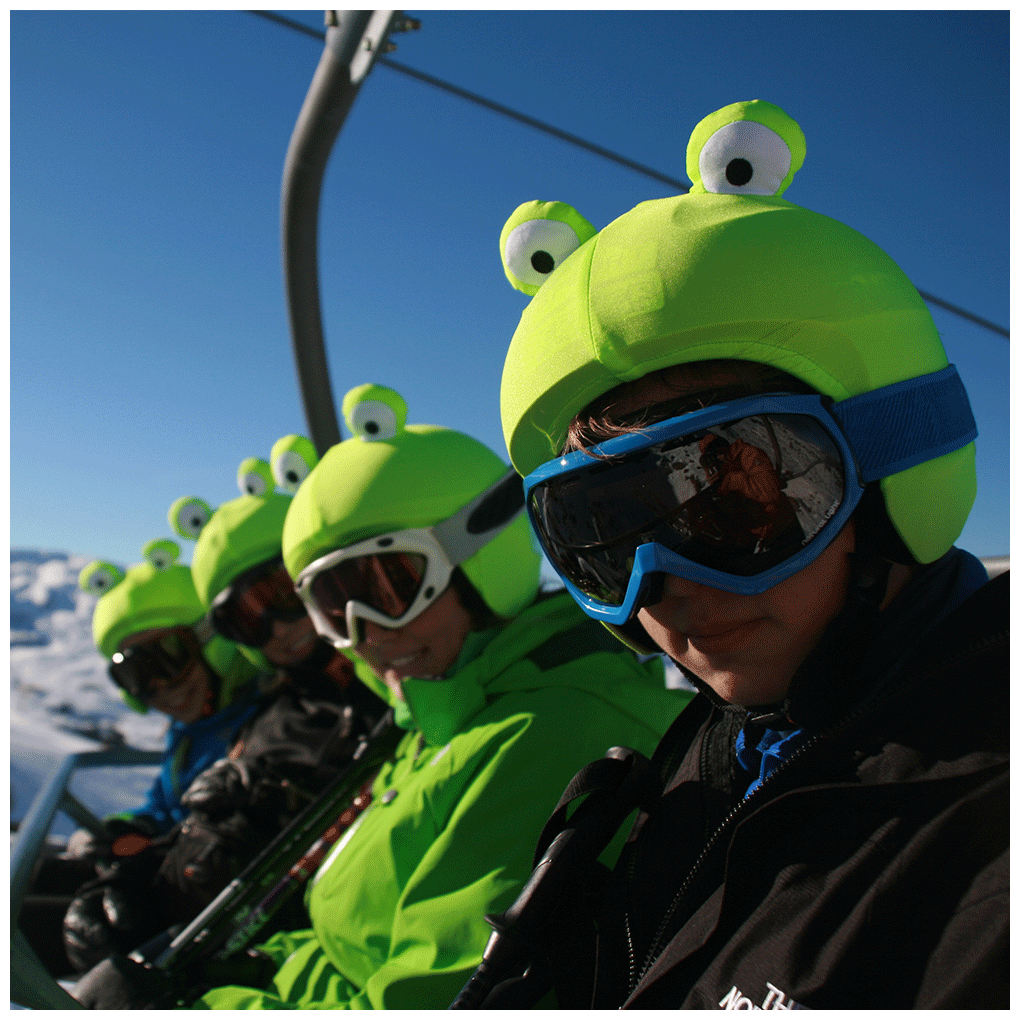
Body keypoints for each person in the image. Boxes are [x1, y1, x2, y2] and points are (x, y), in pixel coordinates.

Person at [484, 99, 1008, 1008]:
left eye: (736, 498)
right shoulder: (714, 751)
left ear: (888, 463)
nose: (664, 585)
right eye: (604, 534)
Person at [168, 382, 694, 1010]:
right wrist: (260, 967)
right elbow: (352, 942)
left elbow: (429, 998)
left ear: (478, 556)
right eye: (332, 608)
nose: (364, 635)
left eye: (386, 588)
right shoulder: (439, 719)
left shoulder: (551, 733)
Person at [152, 438, 388, 924]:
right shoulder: (271, 715)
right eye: (246, 619)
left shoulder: (398, 678)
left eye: (281, 594)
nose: (277, 629)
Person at [21, 540, 267, 977]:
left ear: (210, 640)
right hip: (167, 866)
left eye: (170, 657)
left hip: (194, 898)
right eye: (136, 675)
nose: (162, 687)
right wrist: (133, 828)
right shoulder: (190, 730)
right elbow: (164, 805)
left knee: (20, 928)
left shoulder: (258, 726)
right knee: (36, 876)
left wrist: (147, 855)